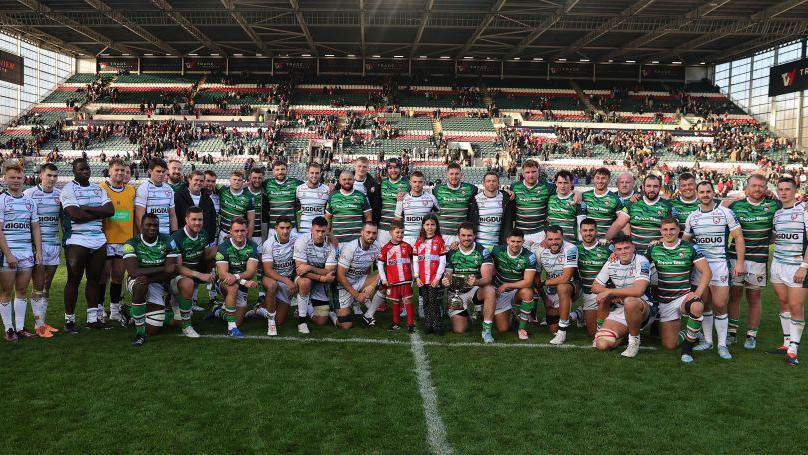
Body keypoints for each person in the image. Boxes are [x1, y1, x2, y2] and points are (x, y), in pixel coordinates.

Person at [683, 180, 744, 360]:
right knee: (705, 304)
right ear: (697, 194)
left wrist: (740, 263)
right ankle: (708, 341)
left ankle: (722, 344)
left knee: (720, 304)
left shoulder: (725, 213)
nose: (705, 195)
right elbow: (685, 243)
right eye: (701, 192)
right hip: (700, 267)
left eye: (708, 191)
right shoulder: (692, 217)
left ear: (713, 192)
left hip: (719, 265)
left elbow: (738, 237)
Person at [724, 174, 780, 349]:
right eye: (754, 186)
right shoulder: (735, 205)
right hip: (735, 258)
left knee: (754, 297)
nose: (757, 189)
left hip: (758, 259)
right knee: (734, 296)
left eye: (761, 186)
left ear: (766, 188)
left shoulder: (774, 205)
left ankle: (751, 335)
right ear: (746, 188)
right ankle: (732, 333)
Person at [60, 158, 115, 333]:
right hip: (77, 239)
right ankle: (69, 320)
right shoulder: (68, 189)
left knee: (95, 279)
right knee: (74, 280)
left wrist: (86, 209)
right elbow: (75, 215)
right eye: (81, 169)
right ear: (74, 171)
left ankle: (92, 320)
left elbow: (110, 211)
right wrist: (97, 212)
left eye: (87, 168)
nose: (85, 171)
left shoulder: (98, 188)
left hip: (98, 239)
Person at [647, 217, 712, 363]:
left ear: (678, 231)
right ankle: (694, 334)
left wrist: (697, 294)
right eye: (665, 229)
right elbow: (637, 263)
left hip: (684, 296)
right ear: (660, 231)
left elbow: (707, 272)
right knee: (669, 345)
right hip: (665, 300)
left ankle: (687, 348)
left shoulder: (689, 247)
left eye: (672, 229)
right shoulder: (653, 248)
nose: (668, 233)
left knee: (697, 306)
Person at [122, 213, 181, 347]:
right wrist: (162, 268)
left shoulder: (168, 240)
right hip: (137, 281)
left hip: (157, 281)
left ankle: (130, 312)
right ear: (141, 226)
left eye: (155, 225)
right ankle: (139, 333)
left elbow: (171, 271)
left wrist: (151, 276)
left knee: (153, 329)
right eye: (149, 225)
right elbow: (133, 272)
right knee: (140, 286)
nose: (153, 228)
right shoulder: (131, 243)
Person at [591, 234, 653, 358]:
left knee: (630, 301)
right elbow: (595, 287)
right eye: (619, 249)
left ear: (633, 247)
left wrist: (611, 292)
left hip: (642, 307)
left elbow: (638, 291)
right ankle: (615, 334)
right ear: (615, 251)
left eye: (626, 248)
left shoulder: (641, 261)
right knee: (602, 345)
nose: (623, 252)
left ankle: (634, 342)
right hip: (621, 309)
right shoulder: (611, 262)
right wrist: (610, 293)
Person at [0, 163, 42, 341]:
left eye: (19, 178)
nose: (16, 181)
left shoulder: (30, 201)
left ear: (24, 179)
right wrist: (8, 254)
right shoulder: (1, 200)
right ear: (4, 179)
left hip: (26, 252)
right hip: (8, 253)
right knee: (6, 292)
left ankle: (20, 327)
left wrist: (38, 250)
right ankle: (9, 329)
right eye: (12, 177)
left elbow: (35, 228)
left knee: (22, 290)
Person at [769, 177, 808, 365]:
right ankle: (786, 343)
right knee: (783, 302)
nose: (784, 192)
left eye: (787, 189)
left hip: (797, 266)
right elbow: (776, 238)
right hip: (777, 264)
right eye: (780, 189)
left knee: (795, 306)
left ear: (795, 190)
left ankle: (793, 349)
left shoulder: (804, 211)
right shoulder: (777, 214)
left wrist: (804, 266)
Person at [23, 163, 61, 337]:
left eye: (55, 176)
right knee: (38, 286)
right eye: (49, 175)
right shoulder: (29, 194)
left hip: (54, 245)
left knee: (47, 285)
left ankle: (42, 322)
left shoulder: (59, 196)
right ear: (41, 175)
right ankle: (39, 326)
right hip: (37, 246)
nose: (52, 179)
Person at [442, 222, 496, 341]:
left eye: (469, 235)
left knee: (490, 290)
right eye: (463, 235)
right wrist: (446, 279)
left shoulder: (482, 251)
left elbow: (487, 278)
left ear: (474, 235)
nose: (466, 238)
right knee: (459, 330)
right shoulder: (452, 251)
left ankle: (486, 331)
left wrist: (476, 282)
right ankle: (465, 312)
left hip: (474, 290)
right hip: (457, 293)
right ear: (458, 236)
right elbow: (448, 272)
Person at [99, 158, 136, 323]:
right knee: (103, 276)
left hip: (124, 241)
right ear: (109, 171)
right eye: (117, 170)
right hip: (106, 240)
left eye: (123, 170)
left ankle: (114, 310)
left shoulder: (131, 191)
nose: (120, 173)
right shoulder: (100, 188)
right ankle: (99, 310)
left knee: (118, 276)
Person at [169, 206, 216, 337]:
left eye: (200, 219)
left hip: (191, 275)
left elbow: (207, 256)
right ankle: (186, 326)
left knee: (215, 263)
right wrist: (199, 275)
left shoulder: (203, 234)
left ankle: (175, 307)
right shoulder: (177, 237)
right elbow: (177, 268)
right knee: (188, 283)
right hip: (174, 279)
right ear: (186, 220)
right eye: (193, 219)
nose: (197, 223)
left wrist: (225, 245)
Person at [212, 216, 260, 338]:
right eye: (236, 231)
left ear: (247, 231)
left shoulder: (252, 246)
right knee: (232, 287)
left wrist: (237, 277)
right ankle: (231, 329)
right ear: (230, 231)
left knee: (239, 321)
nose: (239, 233)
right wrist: (243, 281)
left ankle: (217, 311)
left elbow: (251, 272)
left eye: (242, 230)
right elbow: (223, 274)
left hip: (240, 283)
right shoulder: (223, 247)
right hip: (223, 282)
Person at [606, 174, 676, 255]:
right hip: (634, 253)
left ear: (660, 187)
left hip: (658, 252)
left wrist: (659, 242)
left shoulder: (668, 206)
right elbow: (618, 224)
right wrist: (606, 239)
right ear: (643, 187)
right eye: (648, 186)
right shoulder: (633, 203)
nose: (652, 189)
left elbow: (674, 231)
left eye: (655, 186)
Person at [532, 225, 579, 345]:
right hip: (551, 291)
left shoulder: (571, 248)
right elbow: (536, 277)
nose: (554, 242)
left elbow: (566, 277)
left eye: (557, 239)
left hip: (571, 287)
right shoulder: (539, 250)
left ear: (562, 238)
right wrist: (545, 299)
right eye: (550, 239)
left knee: (562, 286)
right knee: (553, 329)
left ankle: (562, 332)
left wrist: (544, 283)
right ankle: (578, 314)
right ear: (545, 239)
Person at [335, 222, 384, 330]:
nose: (371, 236)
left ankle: (368, 315)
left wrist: (372, 286)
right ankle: (332, 313)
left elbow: (382, 268)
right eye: (368, 232)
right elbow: (340, 276)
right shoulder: (350, 248)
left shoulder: (377, 245)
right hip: (343, 285)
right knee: (346, 325)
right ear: (361, 233)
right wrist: (357, 295)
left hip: (360, 280)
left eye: (374, 233)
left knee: (385, 280)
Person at [490, 229, 537, 340]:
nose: (515, 244)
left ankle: (522, 329)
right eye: (513, 241)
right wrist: (457, 245)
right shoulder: (497, 249)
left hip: (516, 291)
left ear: (523, 241)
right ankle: (512, 313)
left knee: (528, 292)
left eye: (519, 242)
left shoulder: (529, 256)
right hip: (499, 291)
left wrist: (506, 285)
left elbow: (528, 281)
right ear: (507, 240)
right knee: (503, 329)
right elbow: (480, 250)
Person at [293, 216, 338, 334]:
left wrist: (309, 267)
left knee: (321, 321)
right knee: (304, 282)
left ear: (327, 231)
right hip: (306, 278)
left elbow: (329, 270)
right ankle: (302, 321)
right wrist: (321, 277)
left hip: (321, 283)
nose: (320, 234)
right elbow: (300, 270)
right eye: (317, 231)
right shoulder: (302, 241)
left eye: (323, 231)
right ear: (311, 230)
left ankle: (308, 304)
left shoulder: (331, 245)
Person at [260, 216, 299, 336]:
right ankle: (270, 322)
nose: (285, 231)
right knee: (272, 286)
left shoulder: (296, 239)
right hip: (271, 278)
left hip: (286, 282)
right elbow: (267, 270)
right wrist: (287, 280)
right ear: (276, 228)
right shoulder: (269, 244)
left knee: (280, 321)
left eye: (288, 228)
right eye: (282, 228)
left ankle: (259, 310)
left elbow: (313, 235)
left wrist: (330, 236)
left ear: (291, 228)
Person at [574, 218, 612, 339]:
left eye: (591, 230)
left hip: (606, 293)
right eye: (585, 230)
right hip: (588, 293)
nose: (588, 233)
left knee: (605, 333)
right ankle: (581, 313)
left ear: (596, 231)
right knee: (592, 334)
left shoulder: (607, 248)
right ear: (580, 231)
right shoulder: (575, 249)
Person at [375, 220, 415, 329]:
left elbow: (413, 261)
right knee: (396, 301)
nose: (400, 235)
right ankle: (395, 322)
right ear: (391, 233)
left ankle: (411, 323)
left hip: (406, 280)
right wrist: (383, 279)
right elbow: (380, 263)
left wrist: (414, 275)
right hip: (393, 281)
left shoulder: (407, 246)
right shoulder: (386, 248)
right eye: (397, 232)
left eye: (402, 232)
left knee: (407, 300)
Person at [413, 214, 447, 335]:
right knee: (426, 301)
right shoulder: (418, 241)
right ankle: (428, 324)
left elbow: (442, 261)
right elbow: (416, 260)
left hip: (434, 279)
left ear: (436, 226)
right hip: (422, 279)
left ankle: (437, 325)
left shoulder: (439, 241)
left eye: (432, 224)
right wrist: (417, 277)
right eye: (427, 224)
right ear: (423, 226)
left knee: (433, 301)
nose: (430, 227)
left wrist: (438, 278)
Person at [511, 159, 555, 246]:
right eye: (527, 172)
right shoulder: (515, 187)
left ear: (538, 172)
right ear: (523, 174)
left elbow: (564, 193)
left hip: (540, 232)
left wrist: (577, 193)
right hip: (521, 233)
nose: (531, 175)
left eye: (534, 172)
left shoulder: (548, 187)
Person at [432, 162, 478, 245]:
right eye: (451, 174)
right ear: (447, 175)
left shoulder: (470, 189)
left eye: (457, 174)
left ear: (461, 175)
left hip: (461, 235)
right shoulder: (438, 189)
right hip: (442, 234)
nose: (454, 176)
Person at [467, 171, 514, 250]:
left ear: (498, 183)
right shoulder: (475, 199)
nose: (491, 183)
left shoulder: (506, 198)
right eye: (488, 181)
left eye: (494, 181)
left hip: (498, 246)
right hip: (478, 246)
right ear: (483, 183)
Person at [326, 169, 372, 247]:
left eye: (349, 179)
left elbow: (368, 217)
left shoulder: (361, 196)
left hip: (356, 241)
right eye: (344, 179)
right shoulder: (333, 196)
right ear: (339, 181)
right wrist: (328, 235)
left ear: (354, 180)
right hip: (336, 241)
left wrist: (365, 235)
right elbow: (327, 218)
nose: (347, 181)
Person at [395, 171, 439, 246]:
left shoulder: (431, 198)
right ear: (410, 182)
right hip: (407, 239)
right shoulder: (402, 198)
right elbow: (397, 220)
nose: (417, 184)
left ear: (424, 183)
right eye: (414, 182)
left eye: (420, 182)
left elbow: (438, 217)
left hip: (425, 239)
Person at [134, 158, 177, 235]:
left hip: (166, 235)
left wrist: (175, 234)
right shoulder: (143, 188)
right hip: (150, 235)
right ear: (150, 171)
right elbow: (139, 217)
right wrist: (144, 236)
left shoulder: (169, 189)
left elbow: (172, 215)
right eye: (158, 171)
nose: (161, 174)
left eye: (163, 171)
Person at [579, 167, 622, 238]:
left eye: (603, 178)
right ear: (593, 179)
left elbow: (621, 221)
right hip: (587, 239)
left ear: (609, 180)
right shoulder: (584, 196)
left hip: (605, 240)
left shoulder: (615, 199)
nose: (600, 181)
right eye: (597, 178)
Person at [263, 161, 301, 237]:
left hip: (291, 227)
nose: (280, 172)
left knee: (292, 249)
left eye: (282, 169)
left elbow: (310, 185)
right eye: (277, 169)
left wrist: (330, 186)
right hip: (273, 227)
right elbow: (253, 185)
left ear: (287, 170)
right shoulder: (267, 183)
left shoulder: (295, 183)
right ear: (273, 171)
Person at [217, 170, 256, 244]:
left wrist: (249, 238)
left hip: (239, 234)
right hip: (223, 232)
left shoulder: (249, 197)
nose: (236, 182)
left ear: (242, 181)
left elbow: (251, 221)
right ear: (230, 180)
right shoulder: (222, 190)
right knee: (221, 255)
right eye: (234, 179)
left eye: (239, 180)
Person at [174, 170, 217, 237]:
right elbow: (175, 218)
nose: (198, 183)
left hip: (203, 239)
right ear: (189, 180)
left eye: (201, 181)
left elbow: (212, 219)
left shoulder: (207, 199)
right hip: (184, 239)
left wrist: (210, 236)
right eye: (196, 180)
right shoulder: (179, 197)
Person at [378, 158, 409, 245]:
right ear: (387, 169)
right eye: (390, 168)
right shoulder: (383, 182)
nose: (393, 170)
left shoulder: (407, 182)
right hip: (383, 226)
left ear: (400, 168)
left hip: (400, 228)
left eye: (396, 167)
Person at [546, 170, 583, 242]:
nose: (562, 186)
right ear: (556, 183)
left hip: (570, 242)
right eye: (560, 183)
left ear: (571, 183)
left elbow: (581, 224)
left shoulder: (577, 200)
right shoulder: (550, 199)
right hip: (552, 242)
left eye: (565, 183)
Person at [296, 162, 330, 234]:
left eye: (317, 173)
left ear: (320, 174)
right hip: (304, 230)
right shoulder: (299, 189)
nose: (314, 175)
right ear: (307, 173)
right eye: (312, 173)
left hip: (320, 231)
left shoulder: (327, 189)